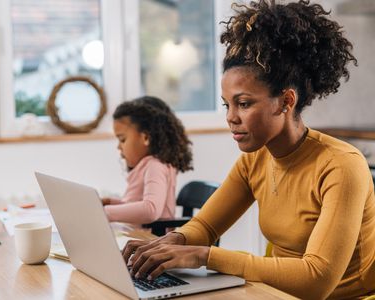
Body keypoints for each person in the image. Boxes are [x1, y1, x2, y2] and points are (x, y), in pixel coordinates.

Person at [122, 1, 375, 299]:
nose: (230, 117)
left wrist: (205, 257)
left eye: (243, 103)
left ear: (286, 101)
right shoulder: (255, 159)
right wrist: (172, 241)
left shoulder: (342, 165)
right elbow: (205, 224)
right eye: (226, 104)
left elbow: (316, 279)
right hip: (275, 293)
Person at [102, 96, 193, 224]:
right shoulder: (149, 164)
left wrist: (106, 212)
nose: (118, 147)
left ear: (145, 137)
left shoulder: (155, 165)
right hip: (139, 237)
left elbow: (151, 209)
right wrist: (112, 203)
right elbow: (137, 205)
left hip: (151, 239)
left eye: (122, 139)